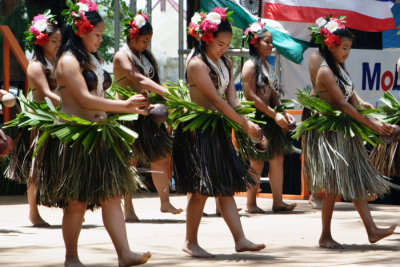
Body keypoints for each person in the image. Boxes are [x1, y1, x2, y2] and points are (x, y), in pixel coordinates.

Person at [35, 1, 151, 265]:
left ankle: (124, 254)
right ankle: (71, 257)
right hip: (77, 138)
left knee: (111, 196)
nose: (101, 39)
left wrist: (132, 106)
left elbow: (100, 96)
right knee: (76, 202)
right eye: (97, 34)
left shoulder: (92, 59)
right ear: (81, 32)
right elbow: (85, 100)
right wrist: (123, 105)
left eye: (101, 34)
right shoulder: (67, 62)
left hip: (100, 135)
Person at [172, 8, 265, 258]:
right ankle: (190, 241)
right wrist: (244, 124)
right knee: (201, 187)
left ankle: (240, 239)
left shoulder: (225, 61)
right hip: (199, 130)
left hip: (219, 129)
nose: (224, 48)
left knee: (224, 186)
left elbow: (231, 98)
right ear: (206, 38)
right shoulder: (196, 64)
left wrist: (249, 124)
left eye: (227, 44)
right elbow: (216, 100)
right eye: (220, 44)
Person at [303, 16, 397, 249]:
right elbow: (342, 105)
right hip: (330, 131)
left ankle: (372, 230)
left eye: (349, 49)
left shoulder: (339, 67)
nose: (347, 53)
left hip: (343, 130)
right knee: (334, 185)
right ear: (331, 44)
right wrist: (371, 124)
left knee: (354, 179)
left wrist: (362, 102)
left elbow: (351, 97)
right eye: (344, 48)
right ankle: (325, 235)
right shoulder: (324, 71)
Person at [113, 11, 183, 220]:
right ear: (132, 37)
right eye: (143, 41)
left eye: (148, 41)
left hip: (149, 114)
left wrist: (166, 99)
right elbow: (137, 78)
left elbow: (153, 81)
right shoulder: (121, 56)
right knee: (130, 161)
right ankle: (128, 208)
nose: (146, 45)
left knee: (160, 157)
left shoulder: (145, 56)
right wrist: (165, 92)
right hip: (129, 115)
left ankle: (165, 202)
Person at [5, 10, 61, 227]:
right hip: (40, 118)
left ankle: (69, 204)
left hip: (58, 115)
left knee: (60, 161)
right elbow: (47, 93)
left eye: (59, 41)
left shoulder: (58, 61)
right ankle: (33, 212)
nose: (57, 44)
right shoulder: (37, 66)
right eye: (54, 41)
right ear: (42, 41)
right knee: (36, 165)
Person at [235, 22, 297, 213]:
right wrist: (274, 114)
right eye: (267, 42)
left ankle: (278, 202)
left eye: (272, 42)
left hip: (272, 117)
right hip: (257, 118)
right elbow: (251, 97)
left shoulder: (267, 65)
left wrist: (284, 115)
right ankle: (251, 203)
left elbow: (274, 94)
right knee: (257, 161)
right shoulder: (250, 65)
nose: (271, 46)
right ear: (255, 43)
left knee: (278, 159)